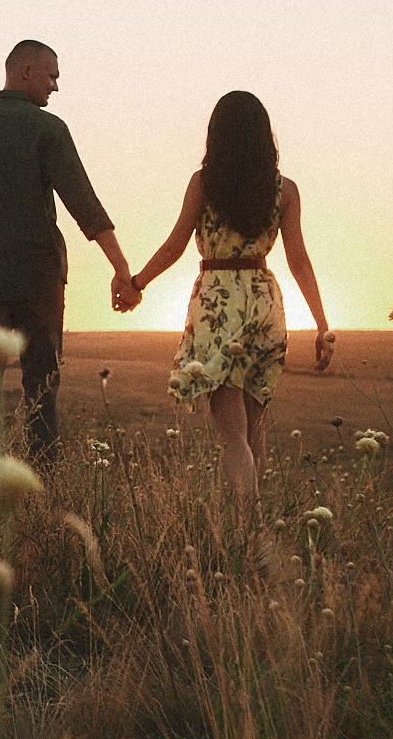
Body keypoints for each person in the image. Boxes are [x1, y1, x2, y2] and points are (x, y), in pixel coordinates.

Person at [0, 39, 137, 463]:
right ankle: (46, 482)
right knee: (42, 389)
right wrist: (121, 267)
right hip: (36, 282)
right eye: (52, 76)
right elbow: (85, 204)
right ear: (24, 71)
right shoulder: (48, 129)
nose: (56, 87)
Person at [129, 90, 333, 513]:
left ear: (216, 135)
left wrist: (137, 283)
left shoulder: (204, 183)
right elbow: (299, 261)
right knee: (253, 432)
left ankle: (249, 534)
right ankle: (252, 532)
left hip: (217, 304)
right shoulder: (286, 190)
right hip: (264, 301)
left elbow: (174, 245)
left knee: (232, 435)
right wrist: (321, 325)